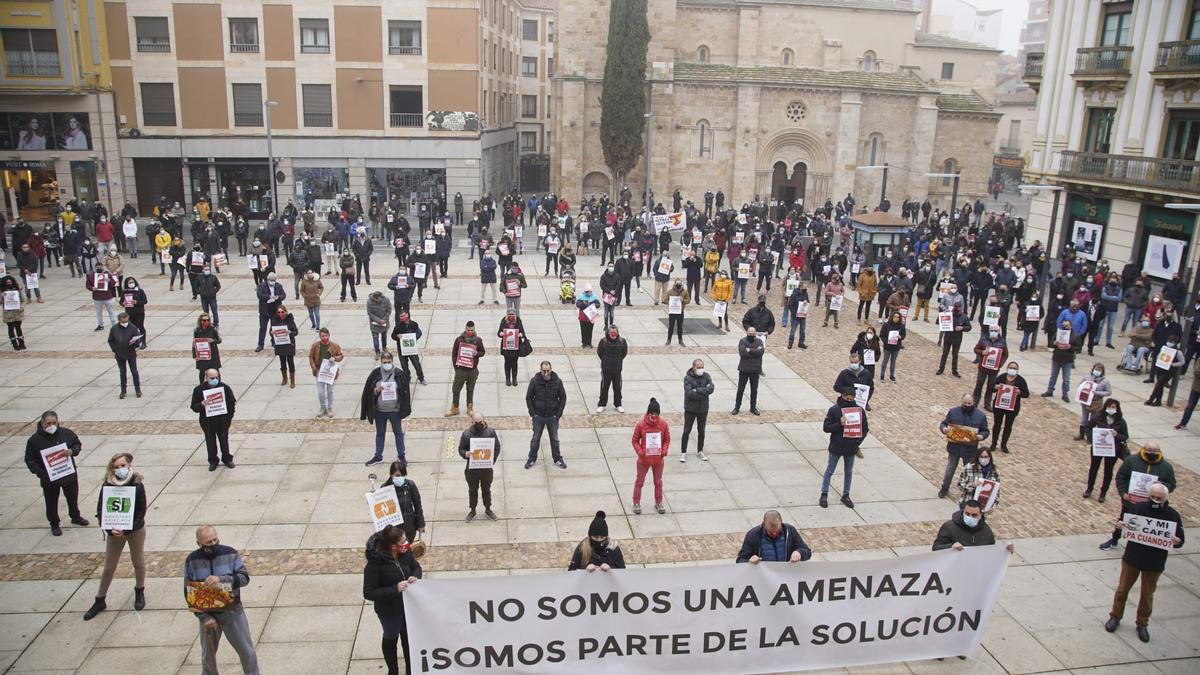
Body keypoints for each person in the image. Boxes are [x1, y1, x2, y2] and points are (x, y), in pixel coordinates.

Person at [1103, 483, 1185, 643]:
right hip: (1133, 557)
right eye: (1152, 497)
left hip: (1154, 562)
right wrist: (1120, 527)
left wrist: (1177, 541)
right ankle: (1115, 616)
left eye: (1159, 498)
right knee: (1122, 590)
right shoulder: (1138, 508)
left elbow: (1180, 539)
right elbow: (1124, 525)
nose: (1155, 500)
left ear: (1165, 499)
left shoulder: (1172, 515)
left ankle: (1142, 624)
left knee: (1147, 595)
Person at [83, 452, 149, 620]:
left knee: (138, 562)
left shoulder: (137, 484)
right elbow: (101, 509)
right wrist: (108, 528)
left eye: (123, 466)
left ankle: (139, 591)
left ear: (129, 466)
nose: (120, 469)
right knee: (109, 567)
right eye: (117, 467)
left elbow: (141, 511)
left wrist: (127, 529)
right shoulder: (107, 485)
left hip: (134, 530)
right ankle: (100, 599)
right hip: (114, 531)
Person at [187, 525, 259, 675]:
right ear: (199, 544)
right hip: (209, 616)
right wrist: (204, 617)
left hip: (232, 612)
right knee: (208, 657)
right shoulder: (192, 561)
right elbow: (189, 594)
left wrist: (221, 580)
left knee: (247, 652)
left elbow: (244, 578)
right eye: (208, 542)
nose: (213, 544)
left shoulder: (230, 554)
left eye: (215, 540)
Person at [363, 524, 422, 675]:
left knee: (408, 639)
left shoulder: (405, 553)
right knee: (391, 637)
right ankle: (393, 670)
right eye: (402, 541)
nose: (406, 543)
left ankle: (411, 669)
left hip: (407, 607)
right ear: (392, 546)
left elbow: (416, 567)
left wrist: (415, 576)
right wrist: (394, 589)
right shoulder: (374, 565)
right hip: (389, 611)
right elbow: (369, 592)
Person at [1101, 443, 1177, 550]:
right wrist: (1123, 493)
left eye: (1155, 451)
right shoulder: (1131, 461)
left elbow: (1172, 484)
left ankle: (1143, 545)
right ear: (1144, 449)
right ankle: (1114, 540)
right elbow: (1120, 476)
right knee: (1124, 520)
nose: (1152, 453)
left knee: (1147, 525)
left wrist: (1162, 486)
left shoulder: (1166, 467)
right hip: (1131, 502)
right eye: (1150, 450)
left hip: (1152, 504)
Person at [25, 411, 88, 536]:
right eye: (48, 423)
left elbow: (77, 443)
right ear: (42, 423)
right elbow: (30, 459)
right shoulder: (34, 440)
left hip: (68, 474)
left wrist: (72, 451)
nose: (51, 425)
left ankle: (75, 516)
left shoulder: (66, 433)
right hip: (49, 478)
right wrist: (41, 473)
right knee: (51, 502)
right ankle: (54, 524)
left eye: (54, 423)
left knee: (72, 497)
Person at [820, 386, 868, 508]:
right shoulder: (834, 410)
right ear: (842, 395)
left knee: (849, 472)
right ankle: (824, 494)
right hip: (837, 446)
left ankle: (846, 495)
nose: (849, 401)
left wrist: (857, 442)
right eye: (847, 399)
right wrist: (839, 424)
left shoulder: (859, 411)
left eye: (851, 399)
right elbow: (826, 428)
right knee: (830, 471)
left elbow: (865, 428)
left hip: (851, 448)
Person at [362, 352, 412, 467]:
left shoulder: (399, 374)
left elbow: (405, 392)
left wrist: (400, 407)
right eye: (384, 362)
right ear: (381, 362)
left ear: (392, 361)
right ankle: (378, 456)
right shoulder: (376, 373)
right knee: (380, 433)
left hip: (394, 411)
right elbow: (369, 391)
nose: (387, 364)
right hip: (380, 411)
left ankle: (401, 455)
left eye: (389, 362)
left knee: (398, 433)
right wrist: (376, 390)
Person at [937, 394, 989, 498]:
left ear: (973, 403)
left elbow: (985, 430)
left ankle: (968, 490)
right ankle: (944, 488)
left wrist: (981, 436)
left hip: (970, 449)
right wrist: (944, 429)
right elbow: (943, 424)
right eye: (965, 403)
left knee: (969, 472)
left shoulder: (980, 416)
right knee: (950, 469)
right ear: (961, 402)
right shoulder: (953, 412)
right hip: (954, 447)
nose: (967, 405)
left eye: (969, 403)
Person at [1083, 399, 1128, 502]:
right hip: (1098, 447)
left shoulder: (1121, 421)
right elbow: (1088, 427)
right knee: (1094, 468)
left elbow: (1125, 436)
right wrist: (1092, 439)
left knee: (1108, 471)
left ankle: (1103, 492)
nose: (1111, 409)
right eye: (1110, 407)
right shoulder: (1098, 417)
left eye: (1114, 407)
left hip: (1112, 450)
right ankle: (1089, 488)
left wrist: (1117, 435)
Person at [191, 369, 237, 471]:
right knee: (210, 441)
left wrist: (229, 417)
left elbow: (231, 403)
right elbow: (194, 406)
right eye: (212, 378)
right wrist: (202, 404)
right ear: (206, 378)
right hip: (207, 421)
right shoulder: (199, 390)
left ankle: (227, 459)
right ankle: (213, 461)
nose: (215, 380)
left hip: (222, 420)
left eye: (217, 377)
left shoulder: (224, 388)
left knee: (224, 440)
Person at [631, 398, 670, 514]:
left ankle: (659, 502)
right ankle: (636, 502)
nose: (654, 416)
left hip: (658, 460)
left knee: (658, 482)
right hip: (643, 460)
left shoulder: (663, 425)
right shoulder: (640, 425)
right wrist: (640, 451)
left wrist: (664, 450)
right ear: (648, 413)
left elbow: (667, 439)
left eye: (656, 414)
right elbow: (634, 441)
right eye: (652, 413)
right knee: (639, 482)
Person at [526, 360, 567, 469]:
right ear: (540, 370)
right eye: (544, 371)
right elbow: (528, 397)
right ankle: (531, 459)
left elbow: (563, 397)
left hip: (552, 416)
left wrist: (558, 414)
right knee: (535, 439)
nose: (546, 373)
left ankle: (557, 458)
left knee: (554, 439)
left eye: (548, 371)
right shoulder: (535, 381)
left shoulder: (557, 381)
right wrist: (532, 413)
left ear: (551, 370)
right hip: (538, 415)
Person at [458, 413, 500, 521]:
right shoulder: (466, 434)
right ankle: (472, 510)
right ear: (471, 422)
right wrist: (465, 454)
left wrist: (491, 460)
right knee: (472, 490)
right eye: (475, 422)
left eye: (479, 422)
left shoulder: (490, 432)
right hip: (472, 469)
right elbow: (460, 449)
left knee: (486, 489)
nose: (478, 424)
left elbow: (497, 447)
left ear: (484, 421)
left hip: (486, 469)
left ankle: (488, 508)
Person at [932, 499, 1014, 552]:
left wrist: (1005, 550)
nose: (970, 517)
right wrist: (951, 546)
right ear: (963, 512)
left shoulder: (986, 531)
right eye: (967, 514)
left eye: (974, 515)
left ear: (980, 515)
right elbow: (936, 548)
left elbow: (990, 552)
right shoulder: (949, 527)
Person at [735, 510, 812, 563]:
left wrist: (799, 552)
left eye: (777, 531)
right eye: (770, 532)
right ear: (763, 524)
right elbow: (740, 560)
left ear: (781, 523)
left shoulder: (790, 531)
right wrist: (749, 561)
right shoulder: (753, 534)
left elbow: (807, 553)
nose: (774, 534)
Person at [987, 362, 1029, 454]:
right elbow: (991, 388)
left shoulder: (1021, 380)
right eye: (1010, 367)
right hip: (999, 406)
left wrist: (1019, 392)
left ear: (1017, 370)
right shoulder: (1002, 377)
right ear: (1007, 368)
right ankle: (993, 443)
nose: (1012, 369)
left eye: (1014, 368)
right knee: (997, 424)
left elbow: (1026, 394)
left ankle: (1003, 444)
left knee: (1008, 426)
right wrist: (996, 387)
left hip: (1012, 407)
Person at [379, 462, 425, 544]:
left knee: (407, 551)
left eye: (402, 475)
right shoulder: (385, 488)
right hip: (393, 529)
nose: (400, 478)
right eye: (397, 475)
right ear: (391, 474)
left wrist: (420, 524)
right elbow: (378, 507)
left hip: (409, 527)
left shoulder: (410, 485)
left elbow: (417, 505)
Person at [446, 321, 485, 416]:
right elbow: (454, 354)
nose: (470, 331)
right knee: (456, 389)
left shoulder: (478, 340)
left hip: (472, 370)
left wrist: (477, 353)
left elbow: (483, 352)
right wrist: (457, 368)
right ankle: (455, 407)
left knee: (470, 389)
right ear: (465, 329)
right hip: (461, 370)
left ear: (474, 329)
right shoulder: (459, 340)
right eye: (468, 330)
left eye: (472, 330)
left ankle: (470, 407)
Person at [680, 359, 713, 462]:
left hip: (703, 409)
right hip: (690, 409)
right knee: (686, 430)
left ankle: (700, 450)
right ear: (693, 367)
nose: (700, 369)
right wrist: (703, 392)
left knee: (701, 430)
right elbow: (689, 393)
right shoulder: (687, 378)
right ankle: (683, 452)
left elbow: (711, 388)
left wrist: (697, 390)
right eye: (698, 367)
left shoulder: (707, 376)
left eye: (702, 367)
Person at [1042, 318, 1083, 402]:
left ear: (1071, 326)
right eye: (1064, 326)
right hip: (1057, 357)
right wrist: (1054, 343)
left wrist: (1070, 347)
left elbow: (1078, 348)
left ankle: (1065, 394)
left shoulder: (1075, 336)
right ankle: (1050, 390)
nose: (1065, 327)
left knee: (1066, 378)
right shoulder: (1059, 332)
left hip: (1067, 359)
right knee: (1053, 376)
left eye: (1067, 326)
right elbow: (1051, 342)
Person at [309, 327, 345, 417]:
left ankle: (329, 407)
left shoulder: (334, 345)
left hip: (330, 372)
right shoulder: (315, 346)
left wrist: (335, 358)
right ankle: (322, 407)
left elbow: (341, 355)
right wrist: (313, 367)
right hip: (319, 371)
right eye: (322, 336)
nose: (325, 337)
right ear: (320, 336)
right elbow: (311, 357)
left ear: (329, 335)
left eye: (326, 335)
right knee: (320, 391)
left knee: (330, 391)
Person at [108, 312, 142, 399]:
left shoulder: (133, 328)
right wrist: (115, 349)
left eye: (126, 320)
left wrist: (134, 343)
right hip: (120, 354)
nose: (125, 323)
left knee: (134, 371)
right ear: (119, 320)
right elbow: (110, 340)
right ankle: (123, 390)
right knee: (122, 373)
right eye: (123, 321)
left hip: (130, 353)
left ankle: (137, 389)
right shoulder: (114, 328)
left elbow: (138, 340)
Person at [1145, 332, 1184, 406]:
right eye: (1169, 341)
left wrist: (1172, 364)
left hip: (1169, 371)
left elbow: (1182, 362)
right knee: (1160, 386)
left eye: (1171, 342)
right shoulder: (1164, 348)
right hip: (1161, 368)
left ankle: (1151, 399)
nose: (1169, 343)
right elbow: (1159, 355)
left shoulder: (1178, 352)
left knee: (1158, 384)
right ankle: (1158, 401)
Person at [596, 324, 628, 413]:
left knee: (617, 387)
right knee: (604, 387)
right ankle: (602, 404)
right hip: (606, 369)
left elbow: (624, 353)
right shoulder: (603, 342)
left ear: (617, 333)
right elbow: (600, 353)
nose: (613, 334)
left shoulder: (622, 342)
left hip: (617, 369)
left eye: (615, 333)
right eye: (611, 333)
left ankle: (618, 404)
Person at [733, 326, 765, 415]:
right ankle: (737, 407)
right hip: (744, 369)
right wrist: (755, 351)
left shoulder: (759, 341)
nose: (751, 334)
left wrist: (749, 350)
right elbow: (743, 353)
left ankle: (753, 407)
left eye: (753, 333)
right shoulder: (743, 341)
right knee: (740, 390)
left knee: (754, 390)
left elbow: (761, 352)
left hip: (755, 370)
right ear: (747, 333)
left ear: (755, 333)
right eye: (750, 333)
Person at [268, 304, 299, 387]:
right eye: (279, 312)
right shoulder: (274, 320)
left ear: (285, 312)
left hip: (289, 344)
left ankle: (292, 380)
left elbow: (296, 331)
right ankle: (284, 378)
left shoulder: (290, 320)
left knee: (290, 361)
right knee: (282, 362)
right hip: (280, 344)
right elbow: (271, 331)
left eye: (282, 312)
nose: (280, 313)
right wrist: (272, 333)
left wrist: (290, 333)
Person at [391, 312, 426, 385]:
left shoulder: (414, 324)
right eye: (401, 316)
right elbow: (393, 335)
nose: (402, 317)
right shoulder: (398, 326)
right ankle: (407, 378)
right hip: (402, 350)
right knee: (404, 366)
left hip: (411, 348)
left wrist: (413, 337)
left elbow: (419, 333)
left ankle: (421, 378)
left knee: (416, 364)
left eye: (404, 315)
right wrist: (397, 336)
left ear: (408, 315)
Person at [254, 273, 286, 352]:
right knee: (263, 327)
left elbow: (283, 295)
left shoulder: (278, 286)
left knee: (274, 327)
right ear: (268, 280)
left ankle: (274, 341)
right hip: (264, 310)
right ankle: (260, 344)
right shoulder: (262, 286)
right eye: (271, 280)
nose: (272, 282)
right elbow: (260, 295)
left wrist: (278, 297)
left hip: (274, 309)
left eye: (274, 281)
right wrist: (269, 296)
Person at [936, 306, 971, 377]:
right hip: (948, 338)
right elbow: (938, 322)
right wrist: (942, 314)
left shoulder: (964, 317)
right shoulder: (949, 314)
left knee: (955, 355)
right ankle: (941, 369)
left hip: (957, 339)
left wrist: (962, 328)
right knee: (944, 354)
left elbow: (969, 327)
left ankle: (954, 370)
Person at [497, 309, 527, 386]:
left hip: (515, 347)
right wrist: (501, 333)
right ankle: (507, 378)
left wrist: (520, 334)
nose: (511, 316)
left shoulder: (518, 321)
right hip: (506, 347)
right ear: (507, 315)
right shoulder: (504, 320)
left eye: (512, 314)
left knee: (514, 363)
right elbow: (499, 333)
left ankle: (514, 378)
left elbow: (523, 332)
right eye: (509, 314)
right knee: (507, 363)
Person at [120, 277, 149, 349]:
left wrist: (137, 302)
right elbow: (121, 301)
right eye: (129, 283)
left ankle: (143, 342)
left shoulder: (140, 291)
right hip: (130, 312)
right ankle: (135, 342)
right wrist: (123, 303)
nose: (131, 284)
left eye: (132, 282)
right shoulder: (125, 292)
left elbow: (145, 301)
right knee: (132, 328)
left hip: (139, 312)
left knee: (140, 326)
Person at [878, 311, 906, 382]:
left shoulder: (901, 326)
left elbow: (903, 335)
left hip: (896, 347)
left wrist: (901, 337)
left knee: (893, 362)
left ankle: (892, 376)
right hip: (887, 347)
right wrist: (886, 341)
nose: (896, 318)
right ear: (892, 317)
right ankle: (882, 375)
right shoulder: (886, 325)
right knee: (885, 361)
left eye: (898, 317)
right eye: (895, 317)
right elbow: (881, 335)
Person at [2, 275, 26, 350]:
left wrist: (21, 308)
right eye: (7, 283)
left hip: (17, 312)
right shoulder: (2, 291)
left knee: (18, 327)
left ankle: (21, 343)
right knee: (11, 328)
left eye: (10, 282)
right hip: (8, 313)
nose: (9, 284)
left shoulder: (17, 290)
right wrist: (1, 297)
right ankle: (14, 343)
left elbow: (23, 300)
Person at [367, 291, 392, 358]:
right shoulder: (369, 302)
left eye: (378, 300)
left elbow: (389, 310)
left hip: (384, 323)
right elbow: (370, 313)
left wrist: (384, 319)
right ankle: (377, 352)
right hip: (374, 324)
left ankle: (384, 347)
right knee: (375, 338)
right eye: (375, 300)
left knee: (384, 337)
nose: (377, 301)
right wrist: (378, 320)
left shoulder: (386, 300)